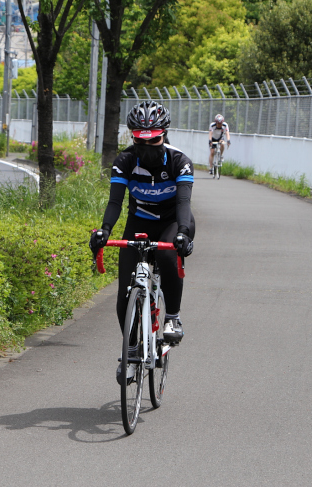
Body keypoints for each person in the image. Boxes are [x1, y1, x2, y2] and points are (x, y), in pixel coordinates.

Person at [89, 101, 195, 385]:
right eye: (140, 142)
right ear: (132, 138)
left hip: (173, 221)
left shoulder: (179, 160)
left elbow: (184, 202)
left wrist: (183, 233)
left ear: (165, 135)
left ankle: (172, 316)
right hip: (140, 221)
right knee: (124, 297)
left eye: (155, 141)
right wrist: (104, 230)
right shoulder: (124, 161)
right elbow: (115, 202)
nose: (148, 148)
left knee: (166, 256)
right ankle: (133, 348)